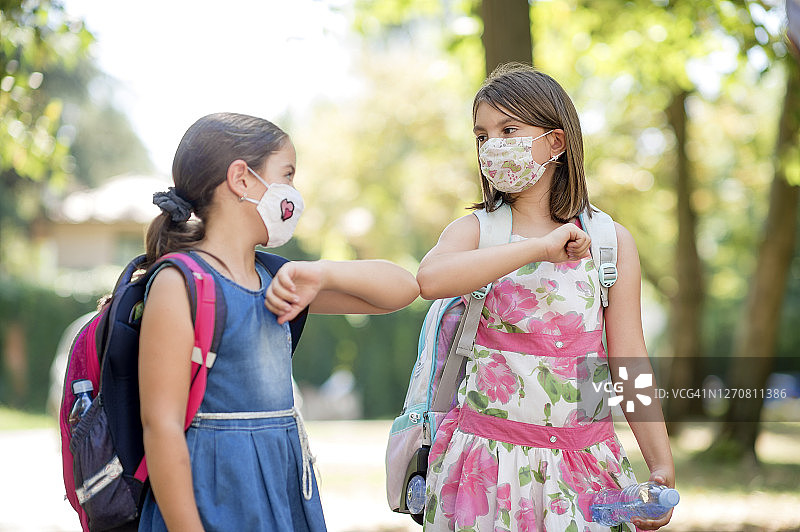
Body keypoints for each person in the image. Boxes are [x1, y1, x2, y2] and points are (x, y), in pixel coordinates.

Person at [416, 64, 675, 532]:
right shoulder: (478, 231)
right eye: (482, 135)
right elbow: (430, 279)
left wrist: (659, 463)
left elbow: (629, 359)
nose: (492, 146)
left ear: (555, 143)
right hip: (487, 469)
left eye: (508, 129)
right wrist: (537, 248)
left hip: (586, 468)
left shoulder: (610, 241)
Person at [137, 112, 419, 531]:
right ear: (242, 179)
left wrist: (322, 273)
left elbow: (403, 288)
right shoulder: (180, 283)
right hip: (214, 501)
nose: (292, 192)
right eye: (286, 175)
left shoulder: (280, 281)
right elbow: (161, 428)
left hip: (280, 497)